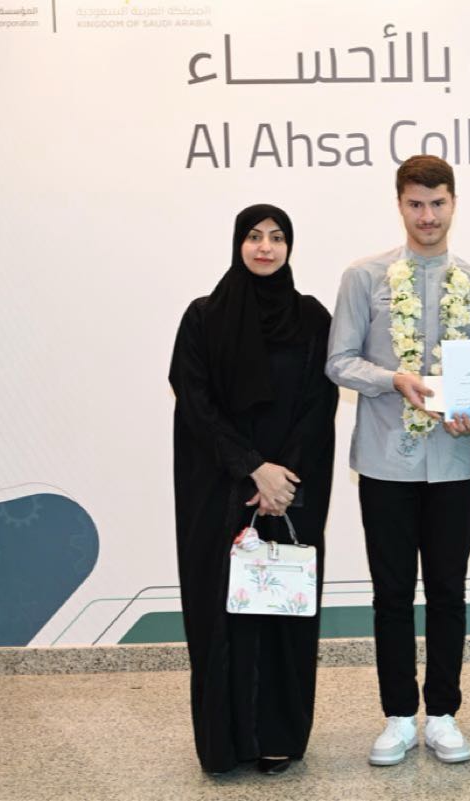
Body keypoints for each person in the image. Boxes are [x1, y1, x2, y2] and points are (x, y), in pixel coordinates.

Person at [326, 155, 470, 766]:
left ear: (454, 203)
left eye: (438, 203)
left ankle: (445, 715)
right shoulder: (363, 277)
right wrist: (391, 379)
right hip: (385, 462)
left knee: (449, 591)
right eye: (416, 204)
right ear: (399, 204)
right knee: (392, 593)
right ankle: (400, 716)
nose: (427, 216)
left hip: (453, 462)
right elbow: (339, 361)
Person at [169, 204, 338, 776]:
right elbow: (194, 400)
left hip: (291, 490)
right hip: (219, 489)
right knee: (221, 612)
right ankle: (224, 742)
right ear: (238, 242)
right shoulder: (203, 316)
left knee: (281, 611)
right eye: (254, 236)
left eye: (277, 237)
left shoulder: (311, 317)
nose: (265, 247)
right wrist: (251, 469)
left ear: (290, 247)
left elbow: (319, 404)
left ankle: (277, 737)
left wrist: (280, 477)